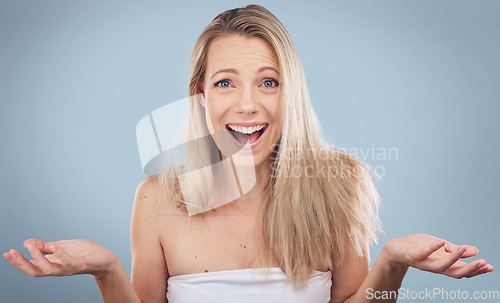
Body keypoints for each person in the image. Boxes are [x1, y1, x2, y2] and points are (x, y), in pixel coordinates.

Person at [2, 5, 494, 303]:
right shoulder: (156, 197)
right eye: (225, 83)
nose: (247, 105)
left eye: (268, 82)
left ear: (291, 91)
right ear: (201, 93)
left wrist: (393, 263)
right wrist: (106, 270)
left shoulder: (339, 182)